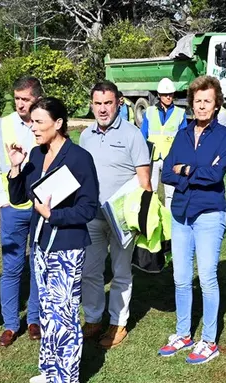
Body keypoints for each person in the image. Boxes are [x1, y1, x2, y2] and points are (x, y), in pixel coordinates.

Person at [7, 97, 99, 383]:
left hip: (67, 246)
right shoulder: (36, 153)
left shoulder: (79, 158)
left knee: (65, 316)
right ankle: (50, 370)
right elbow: (21, 197)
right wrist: (16, 167)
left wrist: (54, 216)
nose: (32, 127)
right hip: (41, 245)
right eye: (32, 122)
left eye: (39, 122)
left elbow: (88, 208)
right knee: (47, 312)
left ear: (58, 123)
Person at [158, 76, 226, 365]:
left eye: (207, 101)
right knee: (180, 277)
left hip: (209, 214)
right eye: (198, 101)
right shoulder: (182, 134)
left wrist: (185, 169)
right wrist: (194, 170)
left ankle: (209, 340)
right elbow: (166, 174)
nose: (202, 106)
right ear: (191, 104)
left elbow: (216, 175)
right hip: (180, 213)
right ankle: (183, 333)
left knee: (207, 277)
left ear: (216, 106)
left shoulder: (225, 135)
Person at [78, 81, 152, 347]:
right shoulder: (86, 135)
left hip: (122, 220)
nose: (102, 109)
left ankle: (118, 324)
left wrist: (140, 218)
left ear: (119, 103)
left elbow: (145, 182)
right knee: (90, 271)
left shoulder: (132, 134)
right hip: (93, 217)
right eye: (97, 103)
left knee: (120, 272)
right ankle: (94, 319)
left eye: (107, 103)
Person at [0, 76, 43, 347]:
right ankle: (10, 324)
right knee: (12, 267)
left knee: (37, 264)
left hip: (41, 207)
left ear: (37, 100)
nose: (20, 104)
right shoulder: (0, 126)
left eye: (26, 100)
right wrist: (2, 200)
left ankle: (34, 318)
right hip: (12, 209)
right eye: (17, 99)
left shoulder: (45, 123)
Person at [142, 77, 188, 208]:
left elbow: (183, 138)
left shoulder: (180, 113)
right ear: (159, 95)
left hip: (171, 158)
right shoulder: (149, 112)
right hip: (153, 158)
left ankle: (169, 221)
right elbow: (143, 135)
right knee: (151, 190)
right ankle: (152, 219)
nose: (168, 97)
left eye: (170, 94)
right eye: (165, 94)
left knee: (170, 192)